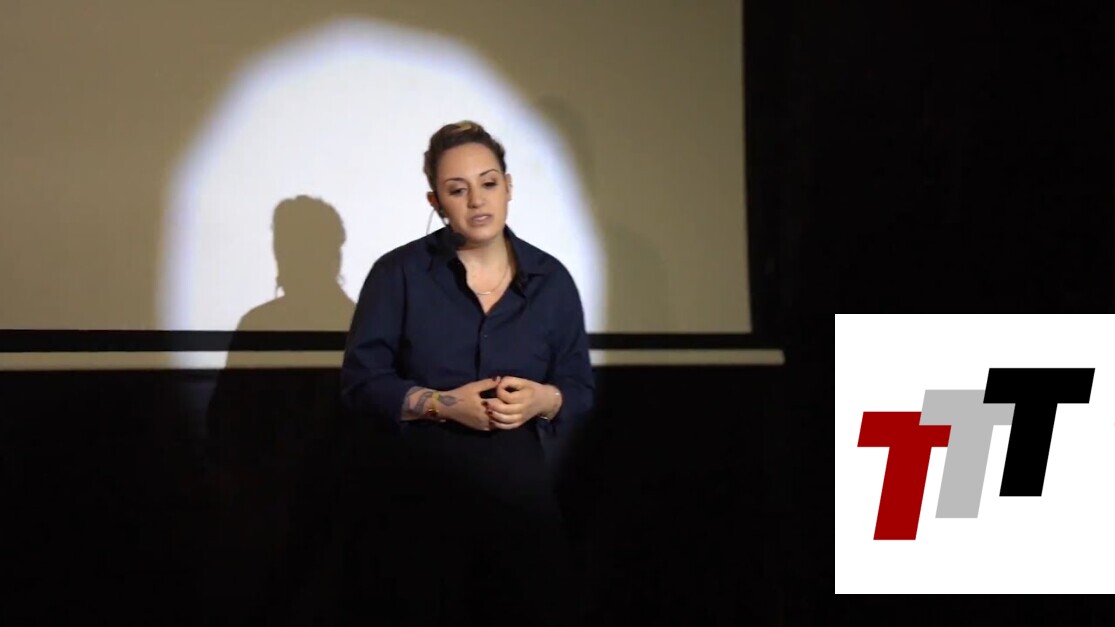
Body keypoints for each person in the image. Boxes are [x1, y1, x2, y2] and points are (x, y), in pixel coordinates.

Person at [340, 121, 595, 626]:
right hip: (421, 503)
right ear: (436, 201)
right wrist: (440, 404)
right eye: (458, 190)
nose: (477, 200)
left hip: (520, 504)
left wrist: (543, 399)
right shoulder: (399, 274)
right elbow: (361, 383)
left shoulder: (551, 280)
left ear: (508, 187)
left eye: (489, 183)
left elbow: (579, 387)